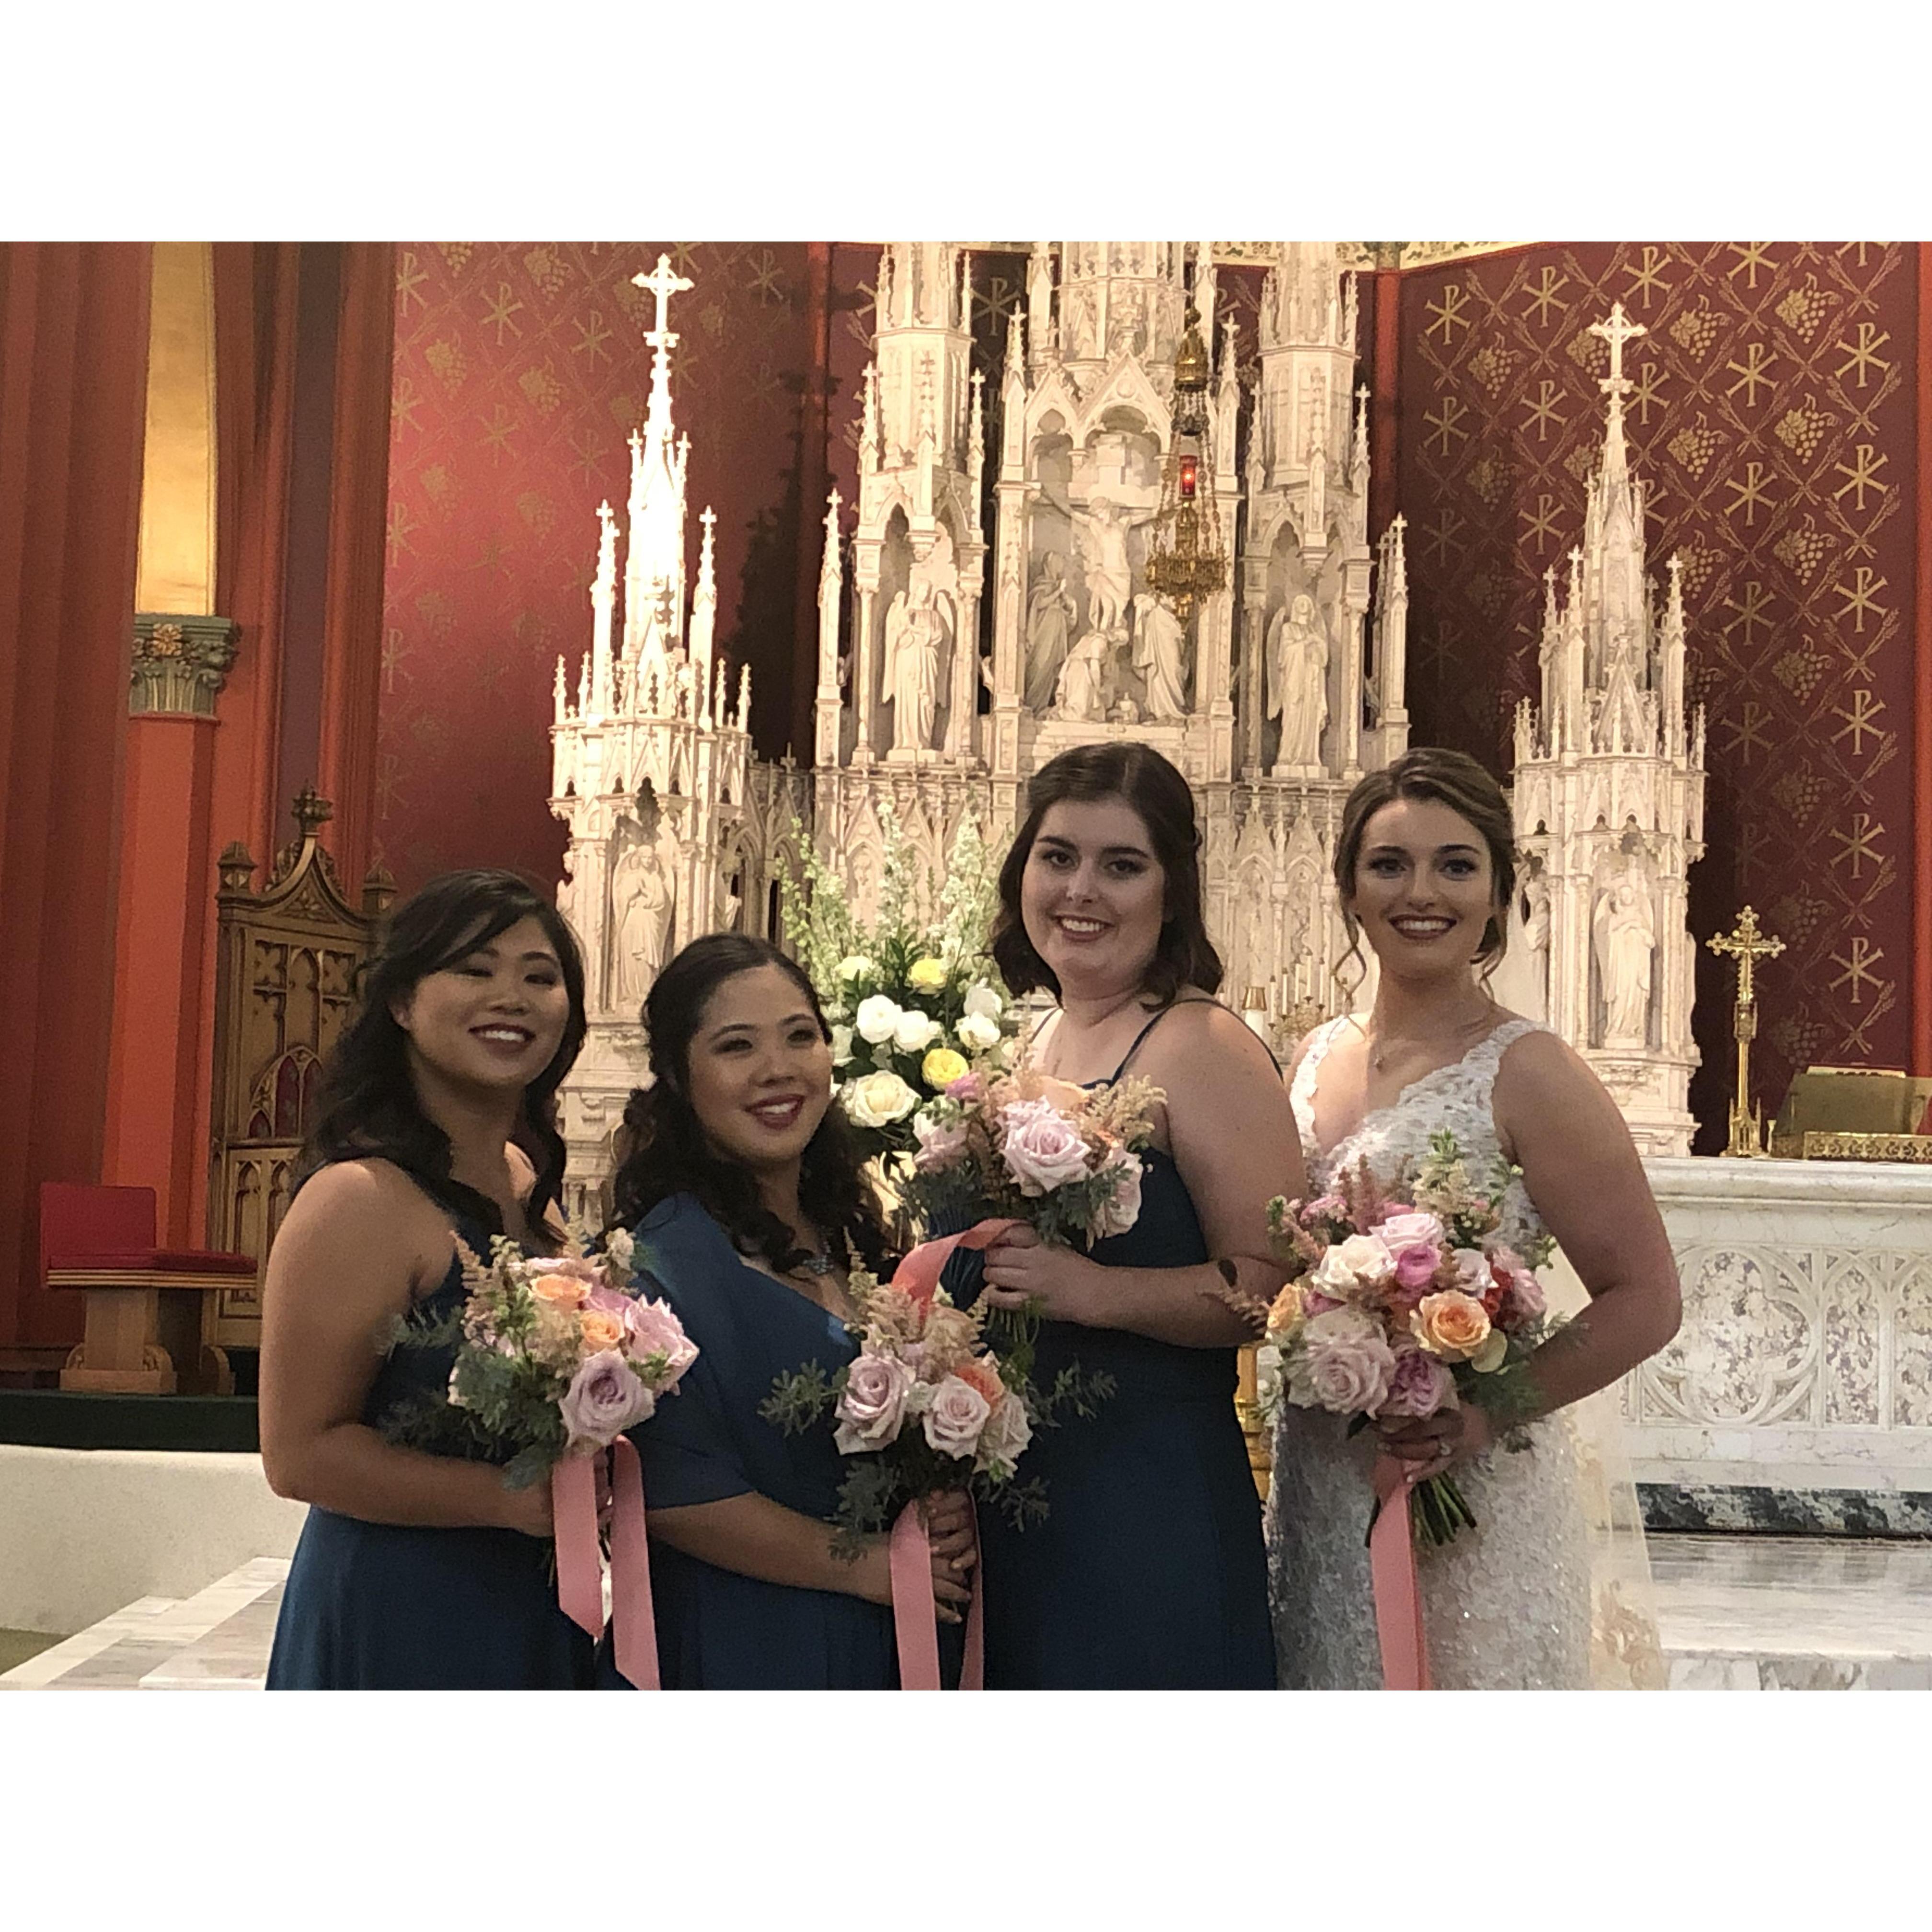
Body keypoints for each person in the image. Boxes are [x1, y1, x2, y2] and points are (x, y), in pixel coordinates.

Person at [1268, 747, 1679, 1690]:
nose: (1423, 892)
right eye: (1390, 864)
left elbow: (1646, 1299)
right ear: (1350, 890)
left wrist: (1487, 1408)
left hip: (1473, 1500)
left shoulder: (1531, 1071)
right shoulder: (1313, 1054)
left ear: (1500, 892)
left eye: (1456, 865)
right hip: (1322, 1489)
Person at [970, 742, 1301, 1688]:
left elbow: (1269, 1290)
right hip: (1020, 1491)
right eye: (1058, 855)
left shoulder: (1204, 1047)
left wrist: (1093, 1294)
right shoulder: (1037, 1034)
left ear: (1173, 889)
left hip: (1145, 1500)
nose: (1083, 890)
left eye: (1124, 865)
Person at [601, 933, 973, 1689]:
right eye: (737, 1047)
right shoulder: (660, 1265)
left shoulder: (851, 1231)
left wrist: (942, 1501)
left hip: (880, 1635)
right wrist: (864, 1565)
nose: (779, 1070)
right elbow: (673, 1494)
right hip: (744, 1641)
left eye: (800, 1037)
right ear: (678, 1076)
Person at [262, 871, 598, 1690]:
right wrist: (506, 1500)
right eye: (476, 970)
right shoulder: (359, 1199)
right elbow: (299, 1455)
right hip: (402, 1606)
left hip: (529, 1595)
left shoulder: (523, 1180)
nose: (511, 996)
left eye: (540, 976)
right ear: (403, 1004)